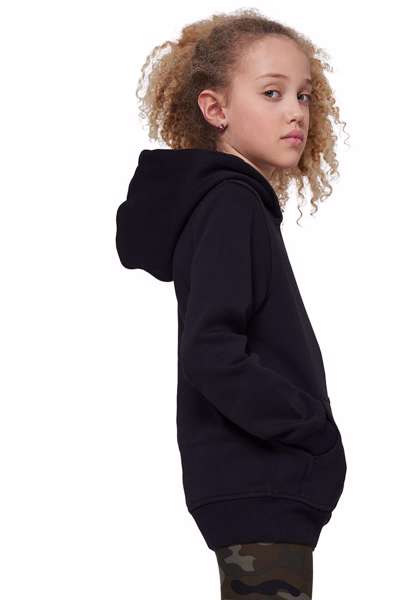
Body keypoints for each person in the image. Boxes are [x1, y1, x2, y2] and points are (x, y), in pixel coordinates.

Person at [115, 8, 348, 599]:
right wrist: (310, 427)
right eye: (272, 93)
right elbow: (211, 351)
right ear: (215, 109)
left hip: (250, 484)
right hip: (261, 482)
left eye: (303, 95)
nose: (296, 111)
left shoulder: (226, 204)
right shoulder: (231, 205)